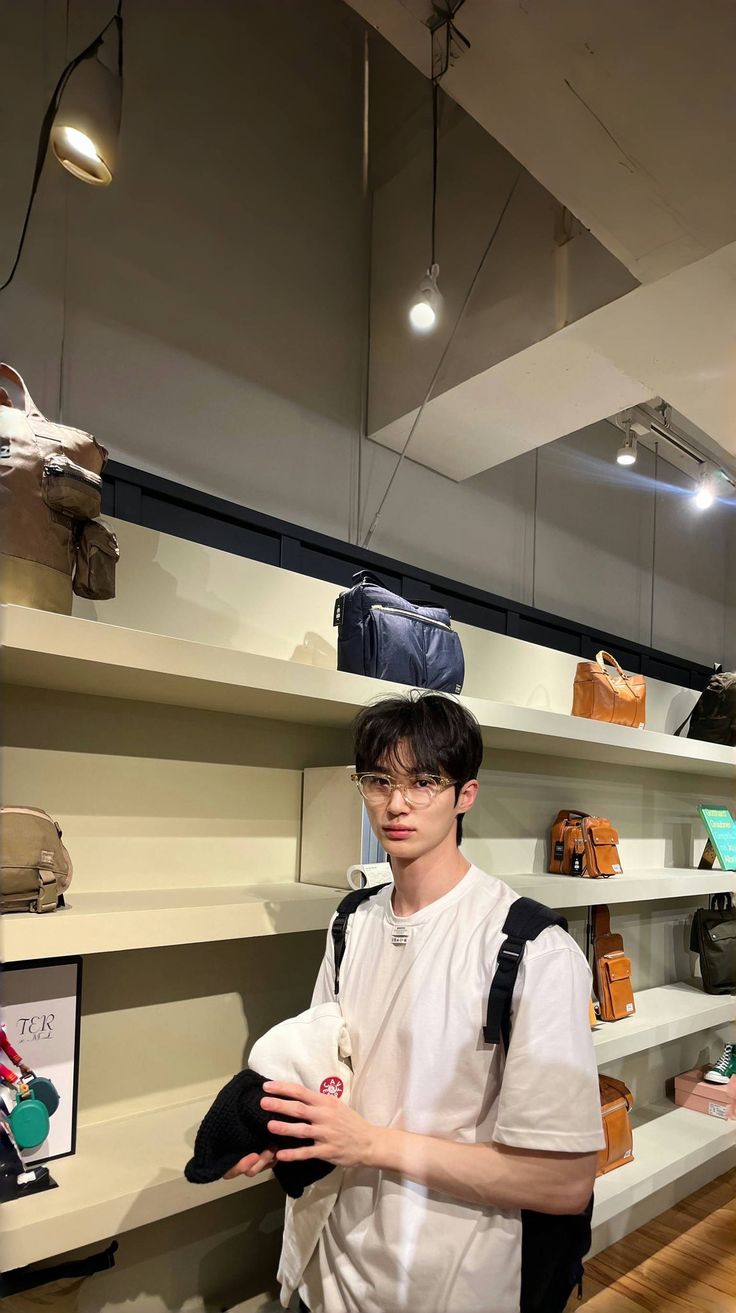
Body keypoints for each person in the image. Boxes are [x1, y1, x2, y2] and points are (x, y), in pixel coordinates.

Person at [227, 691, 604, 1313]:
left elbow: (563, 1182)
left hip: (454, 1279)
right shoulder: (352, 919)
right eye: (378, 781)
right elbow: (329, 1073)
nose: (396, 804)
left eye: (424, 781)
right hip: (328, 1263)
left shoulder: (530, 948)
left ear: (466, 795)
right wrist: (282, 1130)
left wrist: (369, 1144)